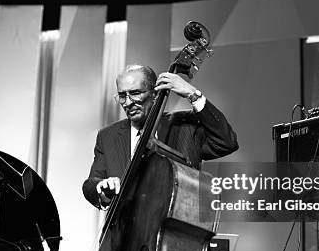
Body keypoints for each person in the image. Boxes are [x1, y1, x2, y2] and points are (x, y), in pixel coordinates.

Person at [83, 64, 238, 209]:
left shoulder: (185, 126)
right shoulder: (107, 136)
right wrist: (101, 187)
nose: (128, 102)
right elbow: (91, 183)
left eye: (135, 93)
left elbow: (226, 142)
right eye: (122, 95)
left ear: (155, 94)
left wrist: (193, 95)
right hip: (123, 233)